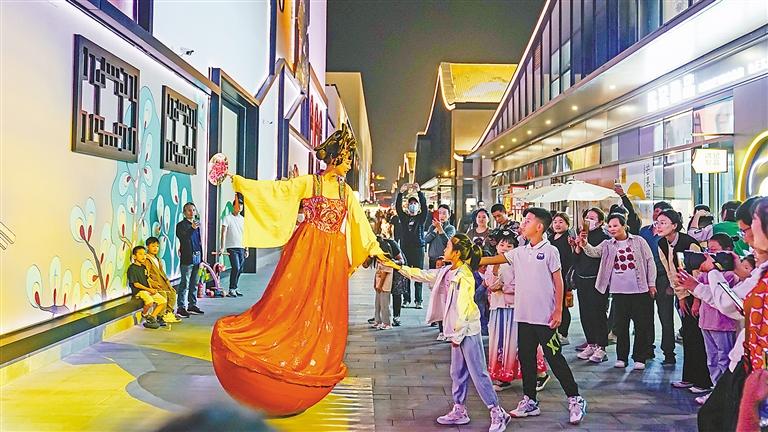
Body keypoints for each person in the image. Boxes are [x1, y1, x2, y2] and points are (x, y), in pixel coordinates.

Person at [210, 124, 387, 417]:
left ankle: (311, 357)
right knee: (288, 300)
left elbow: (360, 224)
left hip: (331, 254)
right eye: (346, 159)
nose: (349, 165)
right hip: (306, 248)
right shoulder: (309, 183)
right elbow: (277, 191)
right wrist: (239, 181)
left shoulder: (346, 192)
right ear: (335, 158)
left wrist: (376, 249)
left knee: (323, 308)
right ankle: (280, 351)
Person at [386, 233, 511, 432]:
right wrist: (398, 267)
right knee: (457, 372)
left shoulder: (464, 276)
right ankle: (459, 410)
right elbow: (423, 275)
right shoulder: (447, 271)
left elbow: (465, 309)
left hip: (467, 331)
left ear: (457, 253)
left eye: (448, 247)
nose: (444, 249)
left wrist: (457, 335)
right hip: (456, 331)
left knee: (478, 372)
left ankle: (497, 411)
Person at [481, 207, 586, 425]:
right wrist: (469, 258)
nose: (523, 223)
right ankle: (530, 401)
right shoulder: (520, 251)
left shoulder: (550, 251)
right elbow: (495, 259)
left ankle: (575, 398)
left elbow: (558, 281)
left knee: (555, 358)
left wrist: (558, 310)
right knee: (526, 359)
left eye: (527, 220)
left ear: (539, 227)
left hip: (545, 317)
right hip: (523, 316)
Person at [678, 196, 764, 432]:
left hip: (755, 364)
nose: (745, 238)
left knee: (719, 418)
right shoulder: (759, 271)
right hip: (751, 361)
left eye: (746, 230)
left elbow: (732, 304)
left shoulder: (762, 274)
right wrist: (698, 286)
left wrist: (714, 272)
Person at [578, 213, 657, 370]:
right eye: (610, 226)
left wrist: (651, 283)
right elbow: (594, 252)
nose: (612, 228)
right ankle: (622, 357)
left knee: (641, 325)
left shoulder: (639, 241)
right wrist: (585, 244)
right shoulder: (608, 244)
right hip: (619, 291)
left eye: (615, 225)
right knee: (620, 326)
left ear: (624, 226)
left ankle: (639, 358)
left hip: (640, 290)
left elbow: (650, 261)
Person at [483, 228, 549, 393]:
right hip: (498, 308)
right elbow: (489, 283)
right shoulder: (492, 263)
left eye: (509, 246)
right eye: (502, 244)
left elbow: (521, 284)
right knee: (500, 342)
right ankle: (503, 376)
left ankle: (540, 373)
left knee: (521, 342)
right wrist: (495, 277)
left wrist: (503, 287)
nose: (504, 248)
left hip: (516, 308)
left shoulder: (519, 263)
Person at [656, 208, 712, 393]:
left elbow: (697, 274)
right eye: (658, 222)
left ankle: (703, 381)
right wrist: (680, 297)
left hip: (699, 293)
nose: (659, 226)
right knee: (688, 335)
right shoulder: (662, 243)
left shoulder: (689, 243)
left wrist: (696, 300)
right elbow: (671, 272)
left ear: (674, 225)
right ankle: (689, 378)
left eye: (663, 222)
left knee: (697, 337)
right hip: (683, 294)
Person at [692, 233, 739, 405]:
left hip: (723, 323)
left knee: (724, 358)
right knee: (712, 359)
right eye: (708, 250)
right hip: (706, 321)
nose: (709, 255)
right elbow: (697, 287)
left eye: (714, 251)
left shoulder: (730, 275)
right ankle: (716, 392)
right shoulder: (706, 272)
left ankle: (725, 394)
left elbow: (722, 298)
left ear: (727, 251)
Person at [639, 200, 677, 365]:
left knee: (666, 317)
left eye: (662, 215)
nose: (657, 216)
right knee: (645, 316)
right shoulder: (644, 231)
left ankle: (669, 352)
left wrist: (671, 284)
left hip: (663, 278)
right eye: (656, 212)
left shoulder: (669, 237)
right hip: (646, 278)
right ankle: (647, 349)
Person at [573, 208, 610, 362]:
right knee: (585, 313)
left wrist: (585, 244)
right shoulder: (581, 234)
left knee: (598, 313)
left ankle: (601, 347)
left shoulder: (604, 237)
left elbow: (596, 255)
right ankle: (591, 343)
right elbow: (576, 259)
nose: (589, 220)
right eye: (587, 217)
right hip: (582, 278)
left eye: (593, 218)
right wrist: (577, 246)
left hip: (597, 280)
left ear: (600, 222)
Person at [394, 184, 428, 308]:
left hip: (418, 249)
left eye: (415, 203)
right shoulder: (404, 218)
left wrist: (419, 192)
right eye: (411, 203)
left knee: (418, 275)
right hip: (405, 249)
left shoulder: (421, 218)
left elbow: (425, 207)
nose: (413, 205)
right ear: (407, 206)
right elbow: (398, 208)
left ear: (418, 206)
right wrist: (400, 193)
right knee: (406, 274)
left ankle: (418, 300)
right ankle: (406, 299)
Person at [426, 204, 457, 338]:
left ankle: (444, 328)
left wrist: (440, 230)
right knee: (435, 292)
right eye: (439, 213)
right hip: (433, 261)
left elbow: (448, 243)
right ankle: (436, 318)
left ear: (449, 215)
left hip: (445, 262)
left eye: (444, 213)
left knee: (444, 295)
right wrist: (435, 230)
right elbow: (426, 240)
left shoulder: (450, 228)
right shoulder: (432, 227)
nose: (442, 215)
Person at [126, 245, 168, 329]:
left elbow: (147, 279)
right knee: (150, 302)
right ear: (134, 256)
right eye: (140, 254)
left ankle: (152, 317)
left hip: (147, 290)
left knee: (163, 301)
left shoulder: (143, 267)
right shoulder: (132, 268)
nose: (143, 256)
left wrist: (154, 286)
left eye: (144, 254)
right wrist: (149, 289)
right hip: (139, 291)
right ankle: (144, 314)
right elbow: (136, 284)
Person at [550, 212, 575, 345]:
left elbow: (570, 259)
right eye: (555, 222)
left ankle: (563, 333)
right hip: (550, 276)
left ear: (567, 224)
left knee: (563, 306)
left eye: (561, 222)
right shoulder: (550, 238)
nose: (557, 225)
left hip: (563, 276)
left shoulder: (569, 239)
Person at [176, 202, 204, 316]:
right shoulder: (181, 225)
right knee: (185, 283)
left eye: (193, 210)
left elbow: (199, 242)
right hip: (187, 258)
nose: (191, 212)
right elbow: (183, 238)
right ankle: (181, 307)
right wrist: (192, 228)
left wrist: (202, 258)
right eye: (189, 210)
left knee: (194, 283)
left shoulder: (196, 225)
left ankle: (192, 304)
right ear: (184, 212)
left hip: (197, 257)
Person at [145, 237, 182, 323]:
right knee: (163, 295)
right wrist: (153, 283)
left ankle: (168, 313)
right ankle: (160, 316)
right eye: (153, 246)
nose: (155, 248)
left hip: (162, 283)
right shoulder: (147, 259)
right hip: (155, 285)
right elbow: (146, 275)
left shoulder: (157, 259)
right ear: (147, 247)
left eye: (157, 246)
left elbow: (162, 272)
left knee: (172, 292)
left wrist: (167, 281)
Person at [221, 193, 248, 298]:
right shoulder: (227, 218)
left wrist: (247, 248)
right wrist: (222, 247)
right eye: (237, 205)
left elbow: (246, 235)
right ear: (233, 206)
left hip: (242, 247)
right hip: (231, 247)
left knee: (240, 268)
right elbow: (223, 232)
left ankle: (235, 288)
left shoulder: (243, 219)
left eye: (241, 205)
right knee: (236, 267)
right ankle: (231, 289)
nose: (240, 207)